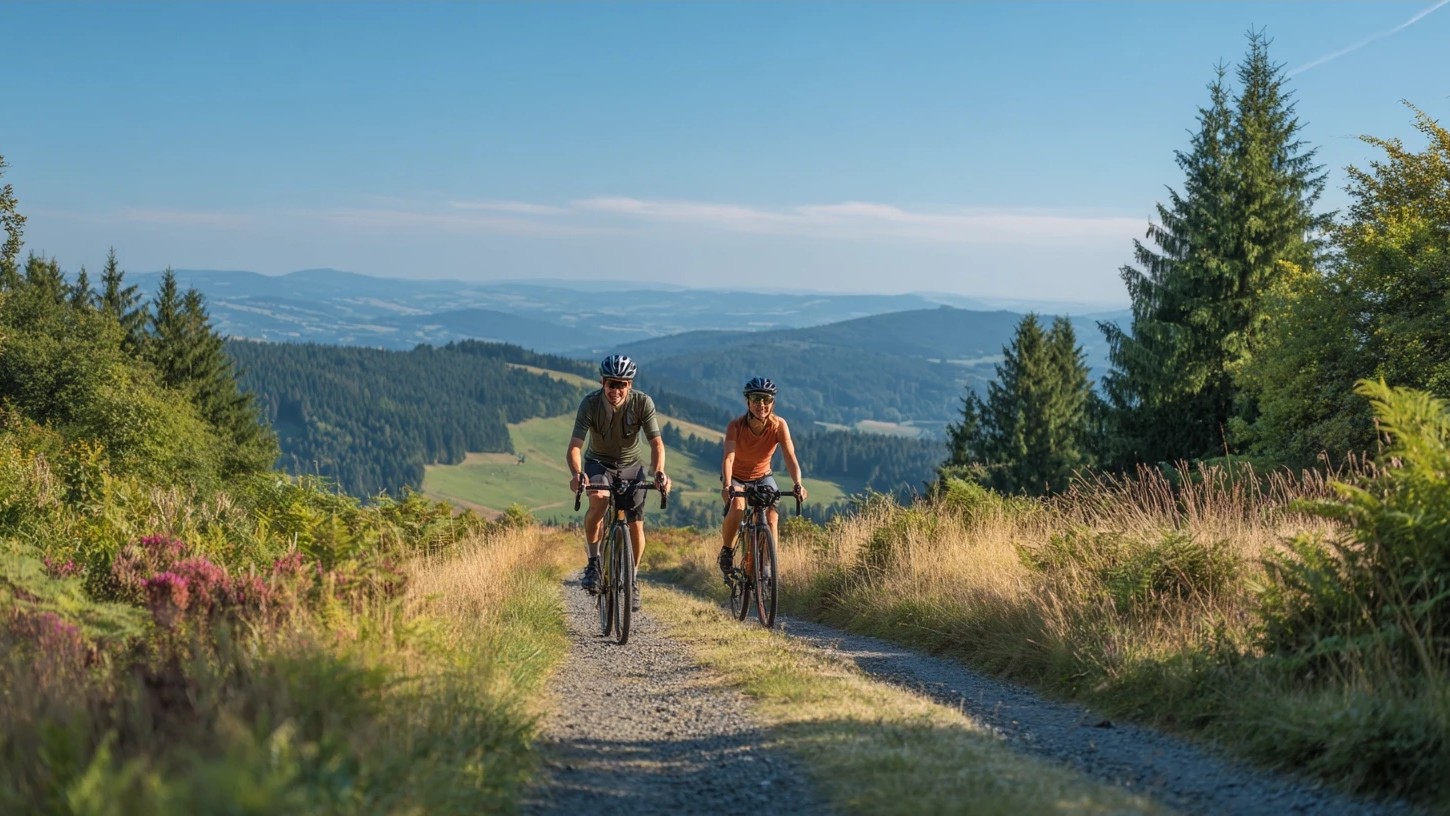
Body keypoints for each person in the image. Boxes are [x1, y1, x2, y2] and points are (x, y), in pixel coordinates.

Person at [566, 354, 670, 611]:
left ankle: (632, 578)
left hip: (631, 467)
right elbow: (575, 447)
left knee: (636, 525)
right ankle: (593, 562)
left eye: (622, 384)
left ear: (630, 385)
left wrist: (659, 472)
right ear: (603, 382)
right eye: (611, 383)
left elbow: (656, 443)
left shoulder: (643, 403)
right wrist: (579, 474)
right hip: (598, 463)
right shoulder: (590, 404)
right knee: (599, 502)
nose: (616, 389)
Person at [719, 377, 806, 577]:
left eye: (766, 399)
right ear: (748, 401)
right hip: (737, 477)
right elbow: (728, 458)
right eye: (756, 399)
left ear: (772, 402)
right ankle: (727, 551)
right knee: (738, 507)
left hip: (763, 477)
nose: (762, 405)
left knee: (772, 517)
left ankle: (768, 564)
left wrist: (798, 483)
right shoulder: (736, 426)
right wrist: (727, 485)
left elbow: (790, 456)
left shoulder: (778, 425)